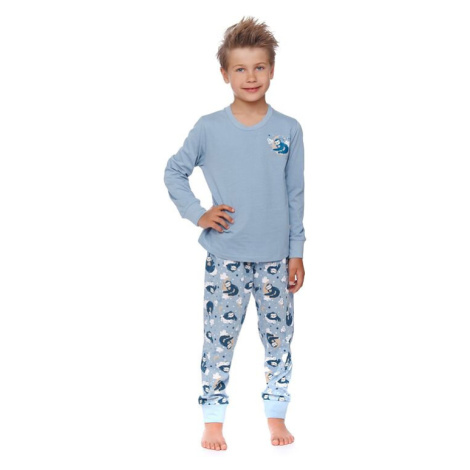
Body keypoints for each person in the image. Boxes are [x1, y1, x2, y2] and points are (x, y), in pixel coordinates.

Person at [163, 16, 306, 450]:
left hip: (276, 260)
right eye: (240, 68)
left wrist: (296, 252)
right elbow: (174, 171)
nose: (251, 77)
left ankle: (276, 416)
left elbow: (295, 194)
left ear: (272, 70)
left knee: (279, 341)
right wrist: (198, 213)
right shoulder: (209, 127)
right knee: (218, 342)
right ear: (224, 74)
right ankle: (212, 420)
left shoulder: (288, 129)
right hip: (225, 258)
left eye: (259, 67)